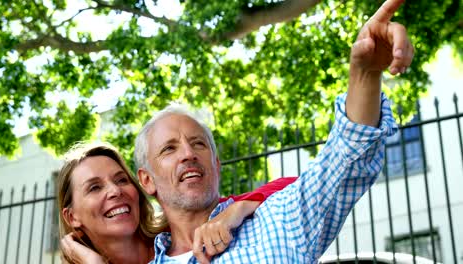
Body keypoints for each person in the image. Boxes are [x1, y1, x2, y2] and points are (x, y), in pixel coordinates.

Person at [134, 0, 413, 263]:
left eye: (198, 144)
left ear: (217, 166)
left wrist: (365, 74)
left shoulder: (281, 219)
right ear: (146, 180)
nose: (188, 154)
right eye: (169, 148)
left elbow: (344, 163)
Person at [58, 142, 296, 263]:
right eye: (95, 187)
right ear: (72, 217)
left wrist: (239, 208)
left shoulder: (179, 232)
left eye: (121, 180)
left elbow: (294, 185)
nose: (114, 191)